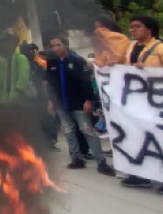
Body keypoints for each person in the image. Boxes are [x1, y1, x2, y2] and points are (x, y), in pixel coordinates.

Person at [120, 15, 163, 194]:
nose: (133, 30)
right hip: (138, 102)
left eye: (137, 26)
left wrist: (149, 71)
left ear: (150, 29)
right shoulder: (131, 48)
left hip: (161, 103)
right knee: (142, 138)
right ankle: (143, 174)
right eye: (131, 27)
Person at [46, 35, 116, 176]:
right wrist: (50, 101)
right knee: (68, 131)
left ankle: (101, 162)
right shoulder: (52, 63)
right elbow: (51, 85)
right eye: (53, 46)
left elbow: (86, 82)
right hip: (61, 104)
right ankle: (77, 159)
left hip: (79, 103)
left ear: (65, 45)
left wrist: (88, 100)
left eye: (58, 45)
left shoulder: (77, 61)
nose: (56, 48)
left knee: (88, 131)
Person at [0, 34, 31, 106]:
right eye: (5, 43)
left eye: (9, 43)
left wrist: (17, 92)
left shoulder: (20, 58)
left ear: (15, 44)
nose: (6, 45)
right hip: (4, 99)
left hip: (16, 101)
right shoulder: (6, 60)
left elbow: (23, 78)